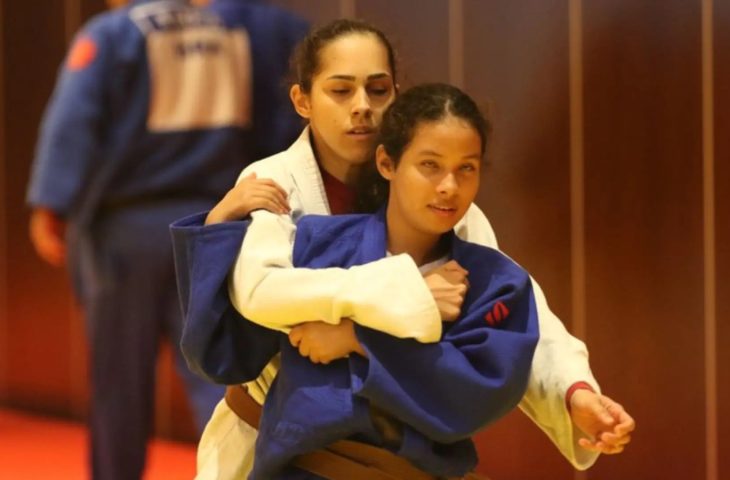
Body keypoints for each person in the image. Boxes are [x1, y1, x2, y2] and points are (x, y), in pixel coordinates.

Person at [171, 18, 634, 480]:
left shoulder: (436, 195)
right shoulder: (274, 183)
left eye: (377, 90)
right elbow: (263, 292)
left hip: (396, 452)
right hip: (274, 444)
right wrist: (407, 291)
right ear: (302, 100)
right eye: (340, 90)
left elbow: (513, 307)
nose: (362, 108)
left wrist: (574, 390)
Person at [25, 1, 306, 478]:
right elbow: (281, 119)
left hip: (125, 231)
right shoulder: (245, 26)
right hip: (211, 226)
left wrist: (50, 204)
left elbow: (73, 121)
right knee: (217, 370)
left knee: (120, 381)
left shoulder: (115, 33)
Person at [243, 82, 541, 479]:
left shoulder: (497, 284)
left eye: (466, 168)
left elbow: (476, 395)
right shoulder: (319, 246)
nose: (449, 186)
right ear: (387, 163)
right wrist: (216, 223)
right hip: (306, 468)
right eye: (430, 165)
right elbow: (221, 351)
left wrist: (359, 339)